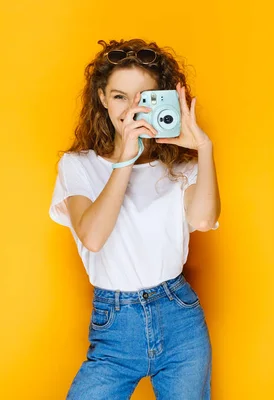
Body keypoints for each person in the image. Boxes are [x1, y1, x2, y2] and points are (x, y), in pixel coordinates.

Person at [49, 38, 221, 400]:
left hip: (179, 318)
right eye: (119, 97)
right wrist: (124, 160)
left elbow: (204, 220)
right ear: (101, 99)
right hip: (115, 325)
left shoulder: (178, 167)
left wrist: (204, 149)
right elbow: (93, 237)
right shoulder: (78, 166)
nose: (131, 109)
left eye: (144, 97)